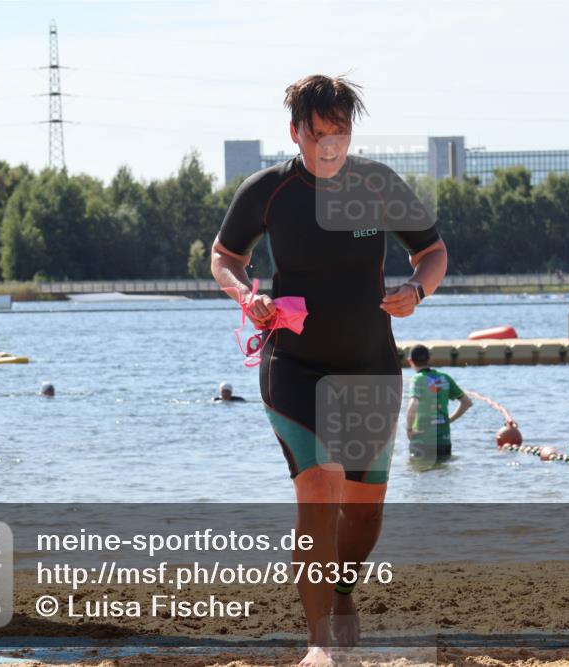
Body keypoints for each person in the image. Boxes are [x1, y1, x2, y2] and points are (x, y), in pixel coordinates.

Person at [210, 74, 447, 667]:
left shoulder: (377, 184)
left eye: (340, 133)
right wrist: (246, 296)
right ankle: (318, 646)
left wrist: (417, 289)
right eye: (319, 135)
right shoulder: (268, 191)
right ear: (295, 134)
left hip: (370, 364)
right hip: (294, 365)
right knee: (318, 491)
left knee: (363, 512)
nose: (331, 146)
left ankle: (341, 588)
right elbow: (223, 256)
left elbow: (432, 251)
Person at [405, 345, 472, 464]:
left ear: (410, 361)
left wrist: (409, 430)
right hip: (444, 440)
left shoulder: (417, 379)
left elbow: (413, 404)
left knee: (420, 473)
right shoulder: (444, 377)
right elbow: (467, 403)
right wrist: (449, 419)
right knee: (442, 471)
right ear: (429, 358)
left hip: (422, 441)